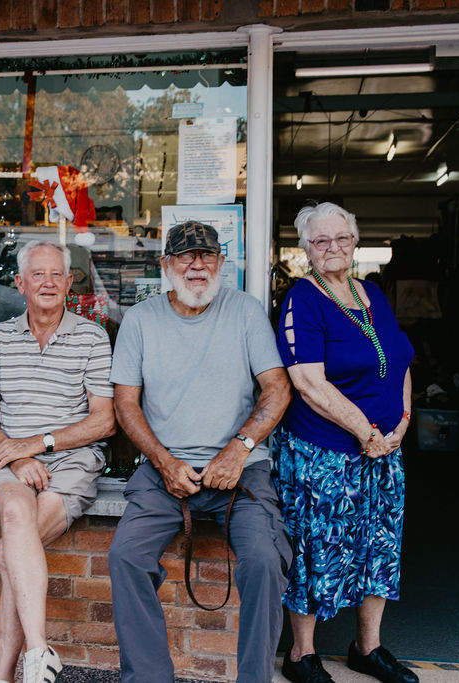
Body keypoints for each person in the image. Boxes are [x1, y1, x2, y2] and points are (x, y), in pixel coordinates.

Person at [107, 221, 293, 683]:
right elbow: (125, 403)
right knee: (125, 556)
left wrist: (238, 449)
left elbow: (277, 388)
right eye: (185, 257)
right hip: (163, 470)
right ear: (165, 265)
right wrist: (163, 461)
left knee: (266, 560)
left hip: (241, 470)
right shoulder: (140, 319)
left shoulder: (245, 311)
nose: (197, 266)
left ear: (221, 264)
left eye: (206, 256)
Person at [274, 202, 416, 683]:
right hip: (325, 452)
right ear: (306, 249)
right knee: (317, 549)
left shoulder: (372, 291)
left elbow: (400, 360)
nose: (333, 248)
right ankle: (302, 655)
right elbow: (309, 383)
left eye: (342, 239)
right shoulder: (303, 300)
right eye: (321, 241)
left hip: (383, 452)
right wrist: (366, 432)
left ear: (355, 242)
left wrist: (402, 420)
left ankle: (367, 648)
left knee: (380, 546)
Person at [0, 241, 115, 683]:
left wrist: (37, 444)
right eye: (38, 274)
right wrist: (17, 460)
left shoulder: (91, 335)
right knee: (16, 514)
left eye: (57, 274)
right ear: (20, 283)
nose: (48, 283)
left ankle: (4, 674)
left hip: (69, 460)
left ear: (70, 282)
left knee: (11, 550)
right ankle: (37, 654)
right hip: (9, 457)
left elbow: (105, 421)